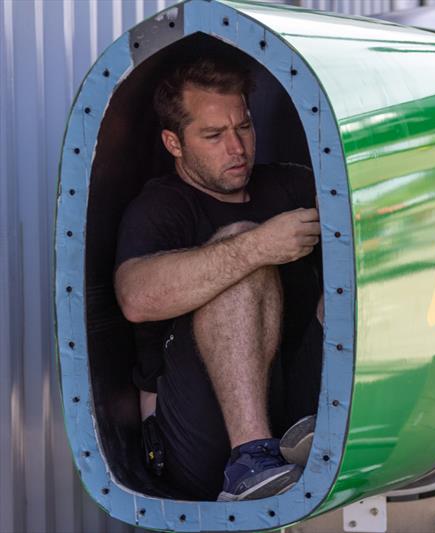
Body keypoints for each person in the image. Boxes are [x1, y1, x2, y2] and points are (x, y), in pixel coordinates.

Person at [114, 56, 322, 502]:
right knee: (241, 246)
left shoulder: (289, 186)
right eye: (213, 135)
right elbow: (135, 297)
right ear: (174, 142)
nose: (237, 149)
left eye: (243, 127)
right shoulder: (161, 209)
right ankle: (251, 456)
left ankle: (342, 424)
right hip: (199, 437)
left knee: (351, 272)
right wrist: (259, 246)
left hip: (298, 411)